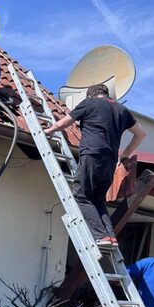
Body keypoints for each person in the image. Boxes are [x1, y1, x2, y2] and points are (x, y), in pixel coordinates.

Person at [48, 84, 147, 245]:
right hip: (110, 160)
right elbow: (141, 134)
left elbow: (62, 123)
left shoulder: (89, 103)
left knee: (81, 195)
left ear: (90, 95)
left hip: (92, 154)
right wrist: (125, 154)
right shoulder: (122, 109)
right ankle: (110, 237)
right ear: (107, 94)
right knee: (98, 199)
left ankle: (101, 235)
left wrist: (48, 131)